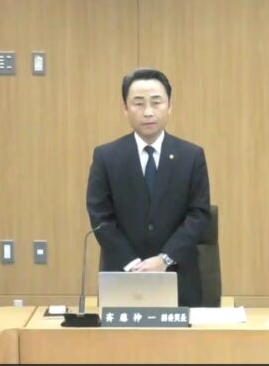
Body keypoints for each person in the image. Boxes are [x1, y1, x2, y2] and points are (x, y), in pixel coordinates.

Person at [86, 68, 211, 307]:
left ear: (169, 106)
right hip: (123, 278)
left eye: (156, 102)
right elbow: (100, 217)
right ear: (125, 108)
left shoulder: (191, 156)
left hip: (179, 277)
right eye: (138, 103)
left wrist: (164, 259)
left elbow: (199, 215)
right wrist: (135, 265)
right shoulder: (106, 157)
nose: (148, 112)